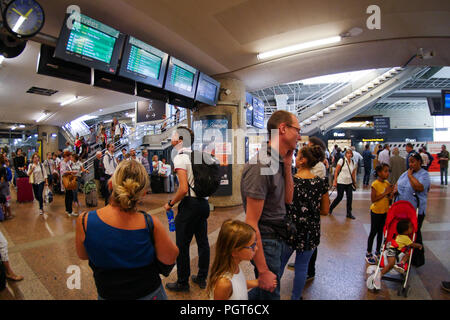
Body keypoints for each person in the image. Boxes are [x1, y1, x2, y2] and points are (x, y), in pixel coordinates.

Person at [75, 160, 179, 300]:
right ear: (143, 193)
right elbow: (170, 256)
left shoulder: (85, 220)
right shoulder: (149, 223)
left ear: (110, 184)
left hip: (108, 293)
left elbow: (83, 255)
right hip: (148, 293)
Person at [241, 110, 299, 300]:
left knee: (267, 289)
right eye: (297, 130)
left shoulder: (279, 161)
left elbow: (288, 199)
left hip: (278, 238)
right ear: (283, 129)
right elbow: (251, 222)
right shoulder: (262, 166)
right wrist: (263, 269)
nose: (299, 135)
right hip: (266, 241)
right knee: (270, 292)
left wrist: (289, 165)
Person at [279, 145, 329, 300]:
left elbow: (282, 204)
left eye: (297, 156)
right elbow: (325, 210)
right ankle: (295, 297)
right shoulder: (321, 183)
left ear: (303, 160)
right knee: (302, 267)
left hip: (289, 229)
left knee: (279, 264)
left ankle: (270, 294)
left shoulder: (290, 181)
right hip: (310, 231)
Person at [164, 127, 211, 292]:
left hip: (190, 205)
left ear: (180, 140)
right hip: (204, 204)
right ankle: (202, 277)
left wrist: (170, 204)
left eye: (174, 135)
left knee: (182, 245)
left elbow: (183, 189)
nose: (172, 136)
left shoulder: (180, 158)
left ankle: (182, 282)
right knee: (203, 242)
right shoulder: (199, 156)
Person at [207, 220, 264, 300]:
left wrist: (258, 282)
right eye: (252, 246)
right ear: (234, 251)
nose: (256, 248)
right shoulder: (223, 284)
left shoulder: (235, 266)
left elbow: (237, 284)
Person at [394, 152, 430, 267]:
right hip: (402, 210)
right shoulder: (405, 173)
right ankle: (403, 256)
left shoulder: (424, 174)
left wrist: (410, 176)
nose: (411, 164)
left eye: (413, 162)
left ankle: (418, 259)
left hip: (416, 210)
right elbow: (397, 184)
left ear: (419, 162)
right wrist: (394, 190)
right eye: (409, 162)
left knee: (415, 233)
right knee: (404, 234)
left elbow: (419, 187)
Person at [372, 220, 423, 289]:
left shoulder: (400, 236)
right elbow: (412, 244)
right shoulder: (405, 238)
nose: (412, 229)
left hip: (396, 250)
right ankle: (380, 274)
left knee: (407, 254)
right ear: (406, 231)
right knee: (391, 264)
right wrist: (419, 245)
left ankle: (401, 264)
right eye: (411, 228)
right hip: (392, 250)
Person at [366, 164, 393, 264]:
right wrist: (385, 193)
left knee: (381, 232)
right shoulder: (375, 184)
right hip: (376, 212)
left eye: (388, 171)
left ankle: (378, 250)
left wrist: (391, 194)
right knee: (373, 231)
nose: (387, 173)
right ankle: (369, 252)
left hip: (384, 211)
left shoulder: (387, 183)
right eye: (385, 171)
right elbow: (373, 199)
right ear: (379, 173)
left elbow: (389, 198)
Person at [329, 149, 357, 219]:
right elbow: (336, 171)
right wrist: (335, 181)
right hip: (341, 181)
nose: (349, 155)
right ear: (345, 154)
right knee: (339, 197)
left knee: (350, 198)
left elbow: (353, 173)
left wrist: (354, 182)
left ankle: (349, 213)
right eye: (348, 153)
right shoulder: (342, 160)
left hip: (349, 182)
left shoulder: (353, 162)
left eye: (350, 153)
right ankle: (330, 208)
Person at [60, 151, 78, 217]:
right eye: (69, 156)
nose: (70, 157)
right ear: (66, 156)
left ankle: (68, 210)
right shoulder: (63, 163)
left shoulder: (67, 163)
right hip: (66, 180)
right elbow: (63, 171)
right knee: (69, 196)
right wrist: (71, 172)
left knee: (69, 196)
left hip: (68, 180)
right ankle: (69, 210)